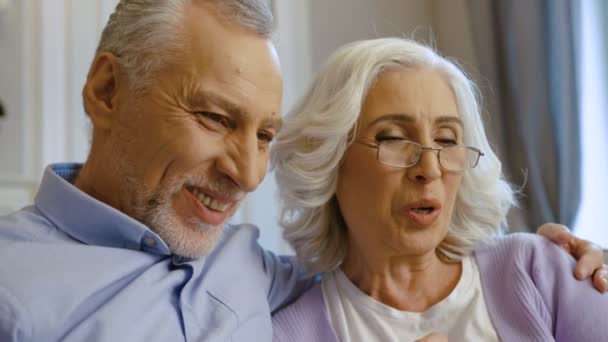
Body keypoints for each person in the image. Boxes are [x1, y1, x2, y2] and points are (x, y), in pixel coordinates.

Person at [0, 1, 604, 341]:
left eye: (265, 135)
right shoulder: (13, 286)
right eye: (214, 117)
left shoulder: (254, 269)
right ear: (108, 90)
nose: (247, 173)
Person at [271, 37, 608, 341]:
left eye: (447, 140)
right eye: (393, 138)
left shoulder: (540, 269)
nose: (429, 169)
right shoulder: (289, 332)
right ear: (329, 158)